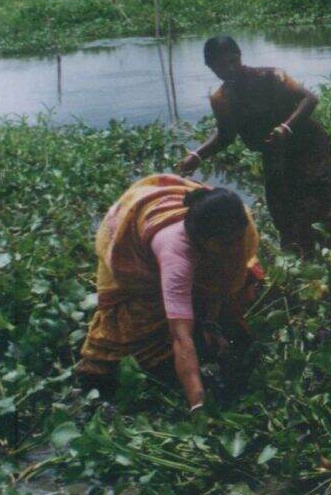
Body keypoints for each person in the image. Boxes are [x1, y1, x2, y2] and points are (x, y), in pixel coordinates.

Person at [76, 175, 261, 410]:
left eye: (237, 238)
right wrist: (197, 403)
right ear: (203, 241)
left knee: (244, 283)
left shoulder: (237, 223)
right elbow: (180, 337)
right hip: (141, 241)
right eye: (226, 244)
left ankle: (208, 320)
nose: (236, 248)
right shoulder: (176, 256)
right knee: (135, 338)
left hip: (190, 227)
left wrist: (211, 318)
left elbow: (231, 266)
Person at [177, 36, 331, 257]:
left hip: (309, 147)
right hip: (274, 154)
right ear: (210, 67)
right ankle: (298, 261)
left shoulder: (272, 76)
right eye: (220, 66)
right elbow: (226, 136)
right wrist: (197, 155)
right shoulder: (221, 99)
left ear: (240, 57)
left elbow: (309, 99)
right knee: (283, 213)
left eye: (233, 61)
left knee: (319, 207)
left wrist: (286, 127)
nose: (230, 69)